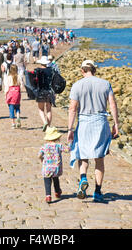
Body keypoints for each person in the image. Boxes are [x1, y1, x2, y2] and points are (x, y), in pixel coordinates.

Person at [67, 60, 119, 202]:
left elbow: (72, 109)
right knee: (99, 158)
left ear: (82, 71)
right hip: (100, 122)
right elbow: (112, 105)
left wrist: (70, 129)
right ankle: (97, 191)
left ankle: (83, 178)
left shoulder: (77, 85)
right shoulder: (105, 83)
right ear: (94, 70)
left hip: (84, 122)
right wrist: (116, 124)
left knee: (82, 155)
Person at [38, 126, 70, 203]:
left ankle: (48, 196)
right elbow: (67, 150)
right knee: (56, 179)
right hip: (56, 168)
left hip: (47, 168)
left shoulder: (44, 147)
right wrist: (70, 144)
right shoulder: (59, 146)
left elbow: (39, 155)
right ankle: (57, 192)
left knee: (47, 181)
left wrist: (41, 159)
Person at [35, 56, 55, 132]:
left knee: (41, 109)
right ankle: (48, 126)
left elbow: (34, 81)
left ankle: (44, 122)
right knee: (49, 109)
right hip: (49, 91)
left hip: (40, 91)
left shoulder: (38, 70)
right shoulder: (51, 70)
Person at [5, 64, 21, 129]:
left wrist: (5, 94)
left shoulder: (8, 77)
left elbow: (7, 87)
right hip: (17, 93)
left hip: (11, 93)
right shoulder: (19, 76)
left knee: (11, 108)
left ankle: (13, 123)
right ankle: (18, 115)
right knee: (17, 106)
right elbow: (21, 85)